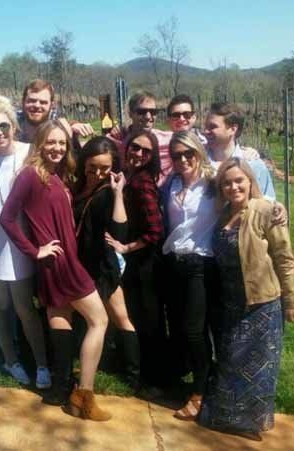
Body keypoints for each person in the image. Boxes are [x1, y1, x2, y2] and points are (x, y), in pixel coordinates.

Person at [0, 120, 111, 421]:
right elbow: (7, 218)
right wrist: (35, 250)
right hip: (60, 262)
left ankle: (61, 389)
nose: (57, 148)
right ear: (39, 144)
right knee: (99, 320)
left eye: (62, 143)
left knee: (60, 316)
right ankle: (84, 395)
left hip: (58, 262)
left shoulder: (56, 174)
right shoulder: (30, 175)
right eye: (51, 142)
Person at [197, 157, 294, 442]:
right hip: (230, 302)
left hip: (261, 304)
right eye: (227, 183)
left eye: (239, 181)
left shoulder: (266, 211)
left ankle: (249, 422)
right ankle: (225, 418)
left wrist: (291, 301)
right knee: (230, 361)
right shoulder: (223, 214)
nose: (233, 187)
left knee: (258, 368)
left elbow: (284, 258)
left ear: (250, 181)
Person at [0, 96, 51, 388]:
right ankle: (11, 360)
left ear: (14, 126)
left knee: (23, 306)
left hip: (21, 238)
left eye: (3, 126)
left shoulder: (28, 153)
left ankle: (42, 364)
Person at [158, 131, 220, 420]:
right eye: (177, 155)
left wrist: (274, 208)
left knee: (196, 330)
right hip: (174, 263)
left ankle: (200, 392)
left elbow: (246, 187)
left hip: (201, 265)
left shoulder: (213, 181)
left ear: (198, 152)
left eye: (188, 153)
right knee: (181, 328)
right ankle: (194, 380)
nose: (183, 159)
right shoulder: (171, 183)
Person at [71, 137, 141, 391]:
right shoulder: (79, 186)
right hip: (84, 262)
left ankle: (134, 376)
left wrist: (118, 192)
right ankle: (113, 365)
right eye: (92, 167)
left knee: (117, 317)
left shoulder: (107, 192)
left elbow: (120, 231)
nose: (98, 173)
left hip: (101, 266)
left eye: (104, 168)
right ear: (84, 163)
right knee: (111, 317)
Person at [104, 130, 163, 390]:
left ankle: (149, 375)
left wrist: (127, 247)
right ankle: (140, 370)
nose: (138, 153)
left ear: (152, 156)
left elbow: (155, 230)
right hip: (138, 261)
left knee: (146, 317)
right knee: (138, 314)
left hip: (144, 261)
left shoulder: (142, 184)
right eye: (135, 147)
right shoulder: (129, 176)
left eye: (146, 151)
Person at [107, 91, 173, 186]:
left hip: (159, 192)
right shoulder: (118, 139)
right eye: (142, 112)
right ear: (130, 114)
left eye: (153, 112)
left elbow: (191, 140)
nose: (148, 117)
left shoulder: (168, 140)